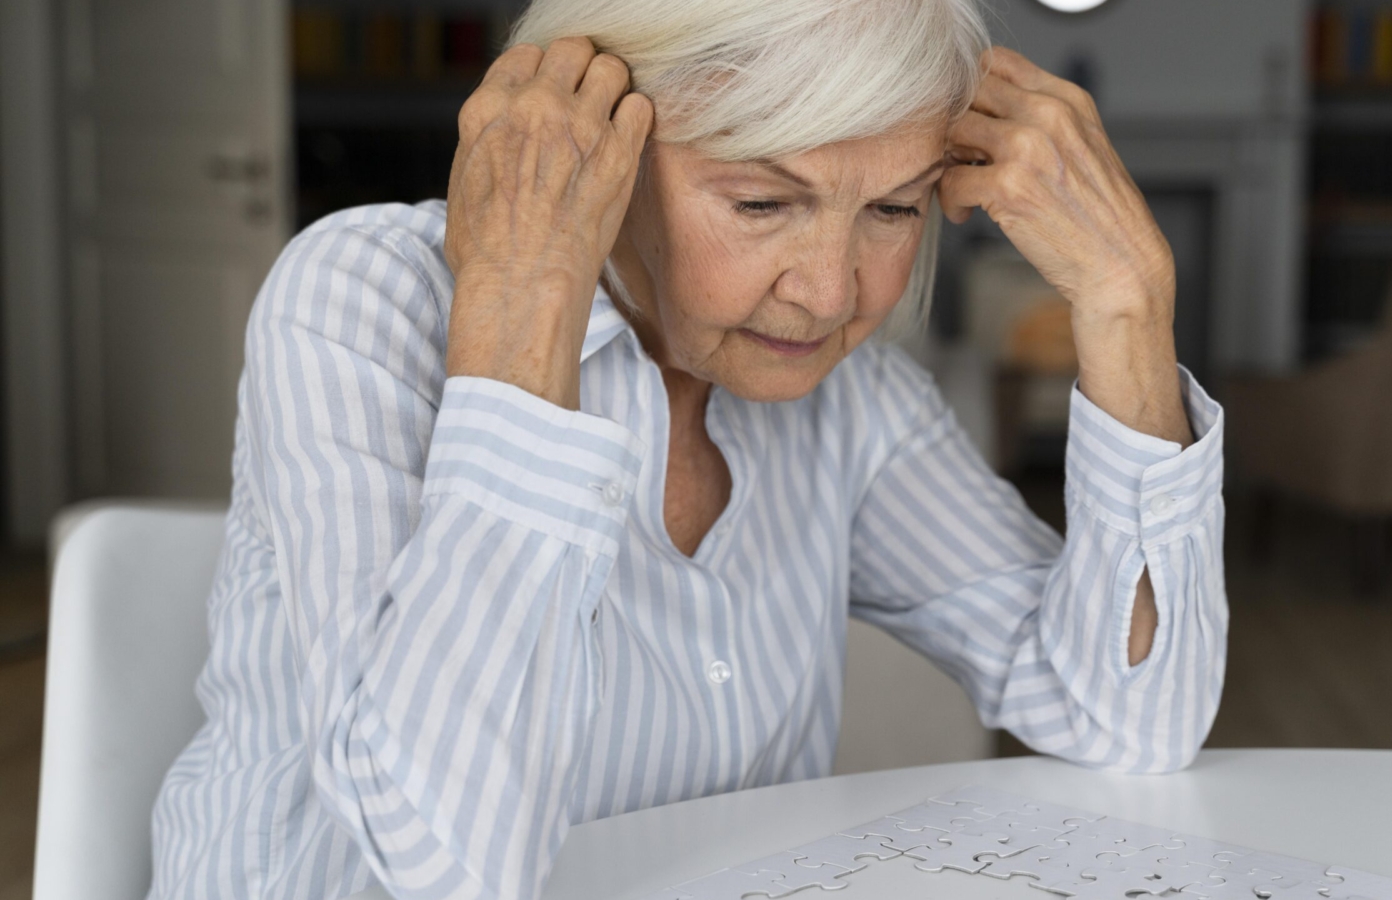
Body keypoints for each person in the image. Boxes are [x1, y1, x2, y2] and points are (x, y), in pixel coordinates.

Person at [147, 0, 1227, 897]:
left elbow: (1128, 715)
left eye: (893, 211)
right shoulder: (363, 301)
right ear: (596, 144)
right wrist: (526, 295)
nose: (830, 292)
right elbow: (442, 863)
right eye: (762, 201)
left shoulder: (851, 403)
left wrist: (1127, 301)